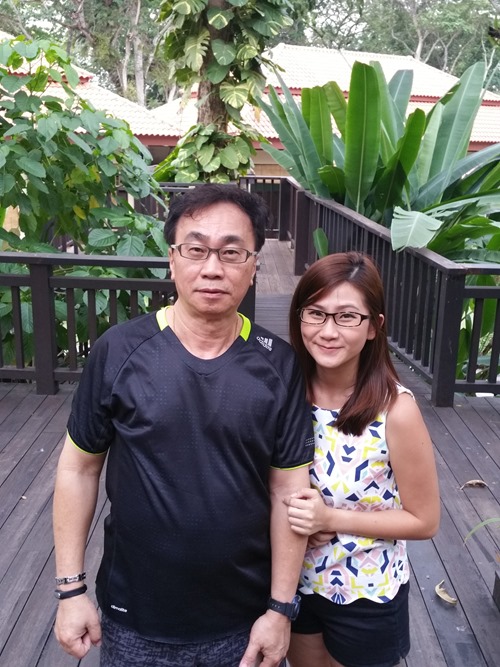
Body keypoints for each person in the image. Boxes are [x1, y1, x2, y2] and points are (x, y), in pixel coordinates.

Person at [52, 184, 315, 667]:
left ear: (253, 266)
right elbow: (79, 469)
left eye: (232, 252)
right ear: (172, 260)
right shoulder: (119, 350)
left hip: (244, 618)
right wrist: (70, 590)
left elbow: (288, 492)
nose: (212, 268)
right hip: (134, 616)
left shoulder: (279, 364)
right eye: (196, 249)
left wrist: (280, 609)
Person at [284, 252, 440, 667]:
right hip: (294, 582)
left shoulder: (396, 411)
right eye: (316, 313)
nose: (328, 331)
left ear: (374, 326)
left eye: (347, 317)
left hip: (366, 592)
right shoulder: (283, 393)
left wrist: (328, 519)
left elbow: (424, 520)